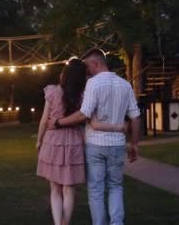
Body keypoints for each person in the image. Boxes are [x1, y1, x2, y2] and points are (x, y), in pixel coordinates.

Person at [50, 48, 141, 225]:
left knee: (96, 189)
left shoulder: (93, 84)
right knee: (115, 186)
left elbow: (84, 114)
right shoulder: (125, 84)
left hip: (95, 144)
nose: (86, 71)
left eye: (87, 66)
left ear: (96, 63)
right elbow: (135, 117)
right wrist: (134, 144)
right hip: (117, 144)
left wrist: (58, 123)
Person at [36, 58, 126, 225]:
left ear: (66, 74)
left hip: (52, 140)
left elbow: (43, 120)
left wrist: (39, 141)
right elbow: (89, 120)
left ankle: (58, 223)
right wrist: (117, 127)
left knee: (55, 187)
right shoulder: (83, 95)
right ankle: (66, 222)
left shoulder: (53, 92)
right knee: (69, 188)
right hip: (73, 142)